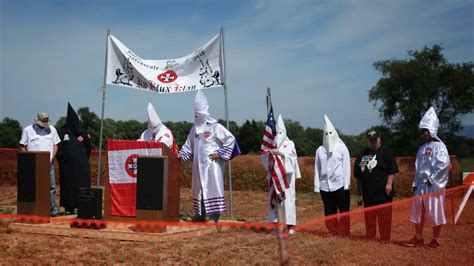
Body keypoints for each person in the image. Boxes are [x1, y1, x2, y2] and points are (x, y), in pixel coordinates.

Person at [179, 90, 240, 222]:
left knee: (213, 188)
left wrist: (220, 154)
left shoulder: (215, 127)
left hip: (211, 165)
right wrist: (181, 155)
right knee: (198, 188)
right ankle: (200, 214)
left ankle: (214, 216)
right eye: (195, 115)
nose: (197, 117)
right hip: (197, 165)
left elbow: (231, 139)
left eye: (199, 114)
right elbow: (188, 145)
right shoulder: (194, 129)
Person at [404, 107, 450, 249]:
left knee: (435, 211)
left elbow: (443, 165)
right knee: (419, 210)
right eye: (423, 130)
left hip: (433, 185)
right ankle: (418, 237)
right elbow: (418, 168)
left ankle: (435, 239)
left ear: (432, 130)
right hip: (421, 185)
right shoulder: (422, 148)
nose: (424, 133)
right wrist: (415, 182)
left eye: (426, 130)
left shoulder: (440, 147)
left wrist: (432, 179)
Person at [354, 130, 399, 241]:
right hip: (368, 192)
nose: (373, 141)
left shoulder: (386, 151)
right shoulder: (363, 154)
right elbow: (357, 174)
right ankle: (370, 235)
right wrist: (359, 192)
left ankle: (384, 237)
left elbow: (392, 170)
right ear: (368, 140)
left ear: (379, 139)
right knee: (369, 215)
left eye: (375, 139)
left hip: (383, 192)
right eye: (371, 139)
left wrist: (389, 184)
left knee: (384, 215)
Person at [262, 115, 301, 234]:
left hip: (287, 177)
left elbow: (293, 158)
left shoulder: (290, 144)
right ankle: (276, 223)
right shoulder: (270, 144)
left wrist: (280, 153)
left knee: (288, 199)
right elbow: (264, 158)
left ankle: (290, 225)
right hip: (275, 175)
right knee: (275, 199)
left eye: (280, 132)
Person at [314, 115, 351, 236]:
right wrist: (317, 185)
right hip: (325, 186)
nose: (328, 136)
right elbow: (317, 168)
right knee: (329, 210)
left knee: (344, 209)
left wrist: (346, 184)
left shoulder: (342, 148)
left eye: (330, 133)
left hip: (340, 185)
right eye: (326, 133)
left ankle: (344, 231)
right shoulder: (320, 150)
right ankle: (332, 230)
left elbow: (346, 167)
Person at [19, 112, 61, 217]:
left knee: (51, 187)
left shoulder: (52, 129)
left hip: (48, 164)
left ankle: (52, 210)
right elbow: (22, 145)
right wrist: (28, 159)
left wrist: (52, 158)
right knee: (34, 187)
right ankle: (35, 209)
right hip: (33, 165)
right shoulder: (28, 130)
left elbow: (56, 145)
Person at [56, 103, 92, 215]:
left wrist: (84, 159)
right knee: (68, 186)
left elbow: (88, 147)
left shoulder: (83, 132)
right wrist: (63, 159)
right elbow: (58, 147)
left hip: (82, 166)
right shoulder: (62, 132)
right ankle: (69, 208)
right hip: (67, 167)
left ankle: (82, 207)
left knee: (82, 186)